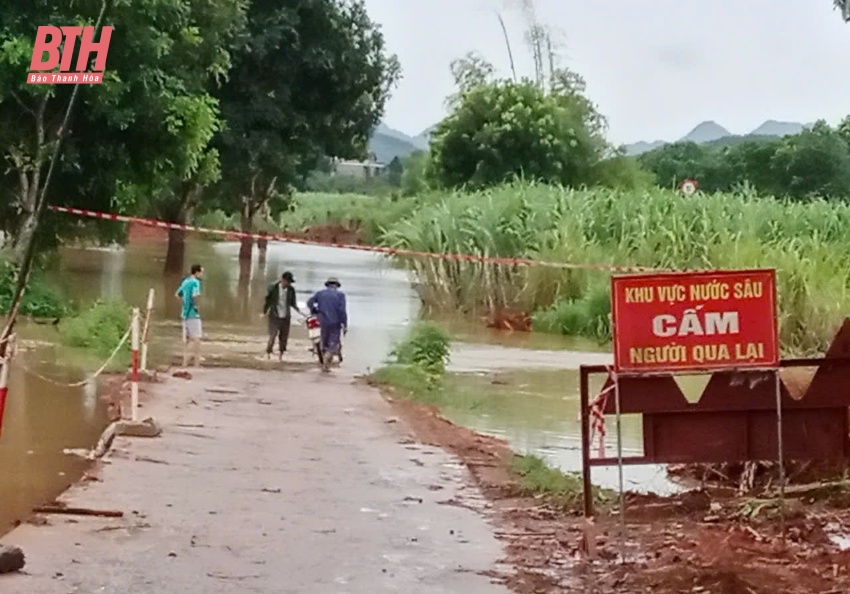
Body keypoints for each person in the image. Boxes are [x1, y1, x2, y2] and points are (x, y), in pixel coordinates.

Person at [307, 277, 347, 370]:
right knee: (333, 343)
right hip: (335, 322)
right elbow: (342, 311)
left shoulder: (320, 294)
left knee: (324, 341)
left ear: (327, 285)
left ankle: (325, 363)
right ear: (336, 285)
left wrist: (314, 311)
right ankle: (326, 361)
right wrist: (344, 324)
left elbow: (309, 302)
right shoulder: (340, 295)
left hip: (322, 321)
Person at [263, 271, 302, 360]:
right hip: (274, 315)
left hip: (286, 316)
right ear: (282, 280)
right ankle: (268, 353)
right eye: (287, 282)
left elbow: (293, 302)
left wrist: (297, 309)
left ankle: (281, 355)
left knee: (284, 336)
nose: (288, 284)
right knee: (272, 335)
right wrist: (264, 312)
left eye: (289, 282)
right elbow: (268, 300)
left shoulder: (291, 290)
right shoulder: (273, 288)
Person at [176, 264, 203, 367]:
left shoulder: (185, 282)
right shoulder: (196, 282)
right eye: (201, 272)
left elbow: (178, 294)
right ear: (197, 272)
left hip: (184, 313)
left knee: (187, 339)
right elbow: (195, 295)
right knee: (196, 339)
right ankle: (196, 363)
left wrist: (184, 304)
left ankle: (184, 362)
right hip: (193, 314)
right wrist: (196, 306)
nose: (201, 274)